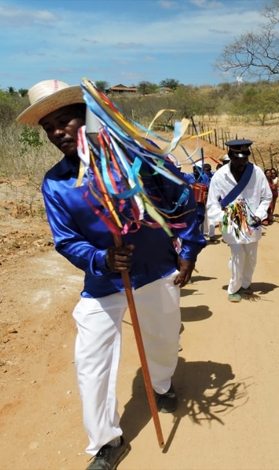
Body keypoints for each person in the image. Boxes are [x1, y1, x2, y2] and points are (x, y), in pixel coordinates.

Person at [16, 80, 206, 470]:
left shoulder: (139, 159)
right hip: (105, 282)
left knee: (164, 340)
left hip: (156, 272)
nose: (56, 132)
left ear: (86, 117)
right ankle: (105, 441)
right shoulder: (56, 183)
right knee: (91, 360)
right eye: (48, 127)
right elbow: (66, 240)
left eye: (64, 120)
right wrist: (101, 260)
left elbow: (183, 199)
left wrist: (188, 250)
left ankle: (163, 384)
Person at [206, 139, 272, 302]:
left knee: (251, 257)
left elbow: (266, 197)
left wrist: (260, 214)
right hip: (232, 226)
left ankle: (245, 284)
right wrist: (226, 217)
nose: (241, 162)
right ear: (230, 156)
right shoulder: (219, 177)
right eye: (237, 158)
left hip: (252, 224)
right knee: (238, 255)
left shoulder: (257, 173)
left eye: (244, 158)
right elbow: (212, 205)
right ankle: (233, 288)